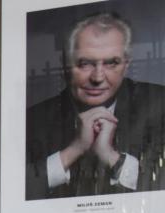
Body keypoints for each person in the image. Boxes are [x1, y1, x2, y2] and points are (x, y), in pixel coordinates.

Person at [25, 11, 165, 199]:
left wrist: (112, 157)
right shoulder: (32, 120)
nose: (98, 77)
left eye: (111, 63)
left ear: (126, 65)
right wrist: (74, 149)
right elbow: (11, 196)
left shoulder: (161, 105)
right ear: (64, 65)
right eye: (85, 64)